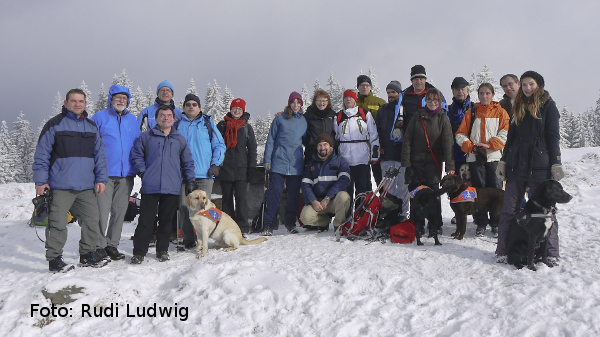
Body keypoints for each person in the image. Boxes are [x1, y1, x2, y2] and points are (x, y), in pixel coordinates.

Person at [33, 89, 108, 271]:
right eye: (73, 101)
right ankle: (54, 259)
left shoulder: (91, 127)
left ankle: (87, 254)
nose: (77, 104)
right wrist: (41, 181)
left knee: (92, 220)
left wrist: (101, 178)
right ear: (66, 103)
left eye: (81, 101)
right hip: (61, 185)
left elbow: (99, 155)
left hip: (86, 186)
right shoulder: (54, 125)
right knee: (57, 223)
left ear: (85, 104)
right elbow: (42, 155)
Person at [495, 71, 563, 265]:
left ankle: (550, 252)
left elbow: (553, 136)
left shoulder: (548, 105)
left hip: (539, 167)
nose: (527, 88)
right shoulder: (517, 106)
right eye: (524, 85)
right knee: (509, 209)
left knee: (546, 211)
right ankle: (503, 250)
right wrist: (504, 161)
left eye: (530, 84)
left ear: (538, 85)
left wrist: (556, 162)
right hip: (516, 167)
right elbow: (511, 138)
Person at [130, 105, 195, 264]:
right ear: (156, 118)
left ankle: (162, 250)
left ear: (173, 119)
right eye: (162, 115)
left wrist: (190, 180)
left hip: (172, 187)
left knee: (166, 221)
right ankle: (139, 252)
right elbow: (136, 155)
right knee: (146, 220)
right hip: (150, 186)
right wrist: (143, 172)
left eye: (168, 116)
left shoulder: (179, 139)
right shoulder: (146, 137)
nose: (165, 118)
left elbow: (188, 161)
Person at [90, 84, 140, 260]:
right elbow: (91, 145)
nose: (121, 101)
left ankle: (112, 245)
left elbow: (137, 146)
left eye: (125, 98)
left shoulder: (132, 120)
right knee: (102, 212)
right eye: (118, 97)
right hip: (104, 174)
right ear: (111, 99)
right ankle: (98, 245)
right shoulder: (99, 118)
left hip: (126, 175)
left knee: (120, 212)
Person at [455, 83, 510, 237]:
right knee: (477, 191)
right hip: (475, 157)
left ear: (492, 95)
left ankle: (496, 223)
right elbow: (460, 134)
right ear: (477, 95)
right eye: (481, 93)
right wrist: (470, 146)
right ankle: (480, 222)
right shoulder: (471, 112)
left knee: (496, 191)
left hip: (493, 157)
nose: (484, 96)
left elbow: (505, 134)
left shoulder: (501, 112)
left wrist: (489, 145)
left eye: (487, 93)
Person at [401, 88, 455, 234]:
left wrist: (450, 165)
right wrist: (406, 164)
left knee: (434, 195)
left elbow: (448, 143)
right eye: (429, 100)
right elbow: (407, 140)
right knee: (416, 195)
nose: (432, 103)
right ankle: (417, 224)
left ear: (439, 102)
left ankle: (435, 224)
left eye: (435, 100)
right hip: (416, 162)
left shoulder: (443, 118)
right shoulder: (417, 116)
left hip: (434, 162)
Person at [176, 93, 226, 248]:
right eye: (188, 104)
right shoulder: (177, 124)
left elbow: (220, 145)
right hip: (183, 174)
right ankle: (188, 239)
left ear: (199, 107)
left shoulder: (208, 123)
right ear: (184, 107)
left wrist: (215, 164)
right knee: (184, 208)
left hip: (205, 174)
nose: (191, 107)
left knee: (203, 208)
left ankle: (203, 237)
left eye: (194, 104)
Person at [262, 91, 307, 235]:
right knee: (274, 194)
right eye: (293, 102)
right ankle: (269, 225)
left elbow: (306, 141)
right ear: (289, 103)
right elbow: (270, 140)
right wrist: (267, 160)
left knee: (293, 196)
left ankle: (290, 223)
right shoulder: (279, 119)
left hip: (296, 164)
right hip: (278, 163)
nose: (296, 105)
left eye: (298, 102)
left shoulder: (303, 121)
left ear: (301, 104)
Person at [216, 98, 257, 233]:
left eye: (239, 109)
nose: (237, 111)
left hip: (241, 169)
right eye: (235, 108)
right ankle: (228, 226)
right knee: (227, 200)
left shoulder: (246, 128)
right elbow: (215, 146)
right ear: (231, 109)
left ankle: (243, 227)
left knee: (241, 199)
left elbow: (252, 149)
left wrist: (251, 168)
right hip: (225, 168)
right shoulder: (222, 126)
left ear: (243, 111)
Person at [300, 134, 351, 232]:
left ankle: (338, 226)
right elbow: (305, 185)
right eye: (320, 145)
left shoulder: (340, 162)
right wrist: (313, 201)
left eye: (325, 144)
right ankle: (324, 222)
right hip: (319, 202)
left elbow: (344, 181)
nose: (322, 148)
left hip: (334, 200)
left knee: (344, 196)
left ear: (331, 146)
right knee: (305, 217)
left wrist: (328, 197)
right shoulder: (311, 165)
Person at [334, 89, 379, 200]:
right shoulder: (338, 116)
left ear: (355, 100)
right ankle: (348, 215)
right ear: (343, 101)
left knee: (362, 189)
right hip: (345, 158)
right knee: (346, 190)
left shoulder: (365, 114)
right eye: (346, 98)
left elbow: (373, 134)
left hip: (362, 157)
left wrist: (374, 154)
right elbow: (335, 136)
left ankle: (361, 215)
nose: (348, 100)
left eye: (351, 98)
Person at [375, 80, 409, 219]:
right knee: (388, 188)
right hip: (387, 155)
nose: (390, 95)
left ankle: (403, 213)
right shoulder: (382, 110)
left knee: (402, 187)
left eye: (393, 92)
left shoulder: (405, 109)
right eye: (388, 92)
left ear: (399, 93)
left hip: (401, 155)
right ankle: (390, 213)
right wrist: (380, 147)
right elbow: (377, 131)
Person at [356, 75, 386, 187]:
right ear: (358, 87)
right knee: (363, 178)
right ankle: (366, 200)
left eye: (367, 85)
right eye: (362, 85)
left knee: (379, 176)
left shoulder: (379, 102)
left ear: (370, 87)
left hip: (375, 144)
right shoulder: (353, 103)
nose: (365, 87)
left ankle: (384, 199)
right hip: (359, 145)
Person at [401, 65, 446, 130]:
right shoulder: (404, 96)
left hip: (432, 133)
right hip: (411, 134)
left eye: (421, 79)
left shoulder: (435, 94)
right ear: (412, 81)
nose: (419, 82)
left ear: (425, 80)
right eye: (416, 79)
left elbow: (444, 112)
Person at [447, 77, 475, 171]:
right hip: (455, 157)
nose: (460, 91)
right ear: (453, 92)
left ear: (467, 91)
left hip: (474, 156)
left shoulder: (476, 109)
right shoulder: (448, 111)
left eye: (463, 89)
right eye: (457, 89)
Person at [303, 89, 337, 165]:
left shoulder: (332, 115)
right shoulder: (308, 116)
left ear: (328, 102)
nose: (322, 103)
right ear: (315, 102)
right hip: (312, 154)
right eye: (319, 100)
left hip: (329, 155)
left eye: (324, 100)